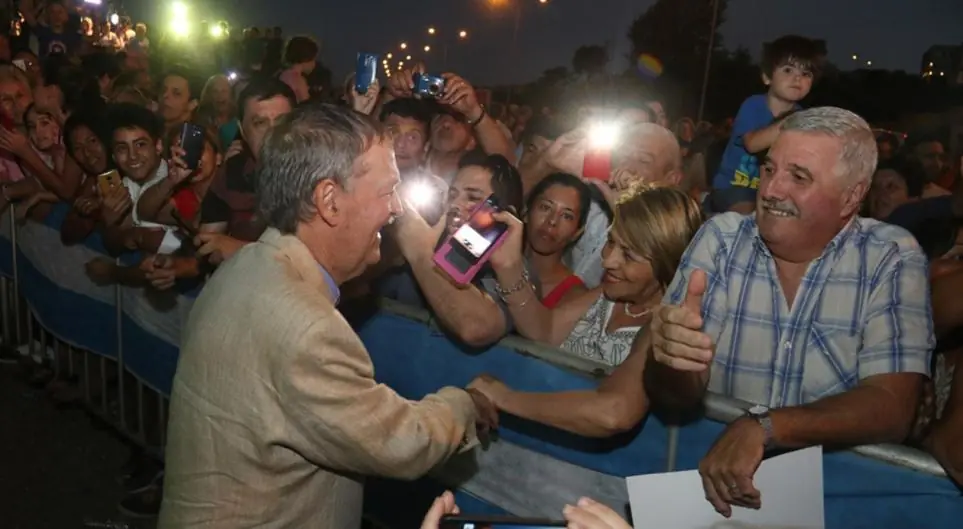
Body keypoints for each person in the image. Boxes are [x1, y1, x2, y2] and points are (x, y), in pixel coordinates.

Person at [159, 104, 497, 528]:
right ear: (329, 202)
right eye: (387, 191)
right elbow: (401, 443)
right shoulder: (307, 328)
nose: (397, 209)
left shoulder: (246, 266)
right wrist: (464, 404)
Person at [646, 107, 932, 517]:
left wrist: (765, 427)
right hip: (706, 500)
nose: (772, 190)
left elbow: (891, 405)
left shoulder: (890, 256)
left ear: (851, 196)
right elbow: (677, 392)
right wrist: (674, 360)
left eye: (799, 177)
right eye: (769, 170)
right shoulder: (722, 239)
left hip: (834, 505)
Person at [709, 35, 822, 214]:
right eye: (788, 70)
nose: (797, 78)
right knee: (750, 215)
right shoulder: (753, 105)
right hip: (735, 186)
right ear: (767, 77)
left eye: (806, 74)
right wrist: (791, 123)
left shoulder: (802, 116)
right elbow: (752, 144)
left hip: (774, 189)